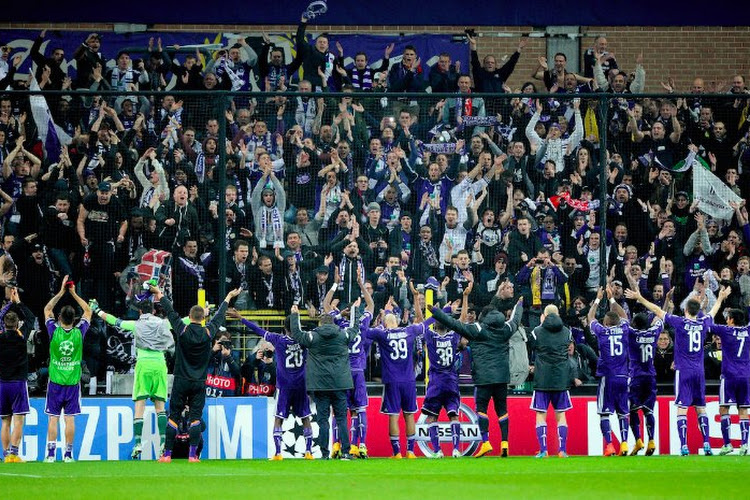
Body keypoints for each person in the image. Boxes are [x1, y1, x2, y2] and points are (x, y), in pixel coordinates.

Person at [430, 282, 524, 458]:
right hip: (502, 377)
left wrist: (436, 313)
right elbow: (516, 319)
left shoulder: (478, 329)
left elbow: (455, 325)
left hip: (483, 377)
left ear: (484, 316)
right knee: (502, 409)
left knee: (481, 408)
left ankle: (486, 442)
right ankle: (504, 444)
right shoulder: (506, 329)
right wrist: (519, 305)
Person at [625, 288, 714, 456]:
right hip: (699, 372)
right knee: (701, 408)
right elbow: (713, 312)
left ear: (686, 310)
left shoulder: (680, 322)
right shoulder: (703, 323)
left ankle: (684, 446)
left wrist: (640, 298)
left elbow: (658, 311)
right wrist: (721, 298)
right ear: (699, 311)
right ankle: (707, 444)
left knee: (682, 409)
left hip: (683, 371)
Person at [157, 286, 241, 463]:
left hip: (181, 380)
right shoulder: (208, 332)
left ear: (189, 316)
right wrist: (228, 297)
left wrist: (159, 294)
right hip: (199, 382)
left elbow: (170, 312)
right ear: (203, 318)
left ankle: (166, 455)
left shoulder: (183, 330)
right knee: (195, 418)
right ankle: (193, 455)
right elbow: (218, 318)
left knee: (173, 417)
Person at [92, 289, 174, 460]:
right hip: (159, 364)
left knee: (140, 406)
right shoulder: (163, 323)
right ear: (153, 310)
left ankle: (138, 444)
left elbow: (115, 321)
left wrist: (97, 310)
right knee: (160, 408)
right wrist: (200, 315)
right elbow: (182, 321)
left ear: (139, 311)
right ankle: (162, 446)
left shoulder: (136, 324)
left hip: (143, 364)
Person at [230, 311, 314, 460]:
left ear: (284, 327)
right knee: (306, 417)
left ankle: (278, 453)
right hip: (301, 385)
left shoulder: (278, 339)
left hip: (284, 386)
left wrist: (241, 318)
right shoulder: (304, 340)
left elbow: (258, 330)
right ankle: (308, 452)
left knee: (278, 418)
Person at [363, 302, 438, 459]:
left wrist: (371, 318)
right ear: (396, 322)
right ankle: (410, 451)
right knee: (409, 415)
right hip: (409, 380)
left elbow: (364, 331)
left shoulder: (382, 334)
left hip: (392, 381)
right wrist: (441, 311)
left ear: (385, 324)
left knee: (393, 415)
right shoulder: (409, 330)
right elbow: (426, 324)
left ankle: (397, 452)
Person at [289, 302, 360, 460]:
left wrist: (295, 316)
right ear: (333, 322)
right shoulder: (343, 335)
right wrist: (355, 309)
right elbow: (355, 328)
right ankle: (347, 452)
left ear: (320, 323)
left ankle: (325, 453)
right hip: (340, 384)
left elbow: (297, 335)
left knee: (323, 420)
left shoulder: (313, 336)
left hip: (320, 386)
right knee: (341, 418)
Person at [43, 276, 92, 463]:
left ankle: (50, 455)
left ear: (58, 318)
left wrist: (61, 292)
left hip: (55, 382)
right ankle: (69, 455)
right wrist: (73, 293)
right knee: (69, 419)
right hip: (72, 383)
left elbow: (47, 309)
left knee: (53, 418)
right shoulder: (79, 333)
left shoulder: (53, 331)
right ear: (74, 319)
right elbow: (88, 310)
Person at [588, 286, 631, 456]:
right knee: (622, 412)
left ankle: (610, 446)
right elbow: (625, 316)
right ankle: (625, 444)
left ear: (605, 322)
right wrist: (612, 299)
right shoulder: (625, 328)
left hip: (608, 376)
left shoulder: (602, 331)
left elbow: (590, 317)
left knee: (604, 413)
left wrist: (598, 299)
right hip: (623, 376)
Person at [708, 287, 750, 455]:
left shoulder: (725, 330)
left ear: (731, 320)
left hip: (729, 376)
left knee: (724, 408)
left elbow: (708, 322)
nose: (726, 320)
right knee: (743, 410)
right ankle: (745, 444)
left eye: (727, 318)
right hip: (746, 376)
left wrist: (719, 300)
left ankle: (727, 444)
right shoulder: (748, 331)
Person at [528, 304, 573, 458]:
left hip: (542, 378)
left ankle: (543, 450)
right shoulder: (567, 332)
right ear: (558, 315)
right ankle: (563, 450)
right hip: (560, 378)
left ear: (544, 315)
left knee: (541, 414)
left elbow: (532, 347)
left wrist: (542, 324)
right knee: (561, 415)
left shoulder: (537, 331)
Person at [0, 288, 35, 462]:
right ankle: (14, 453)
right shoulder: (22, 337)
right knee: (19, 420)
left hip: (2, 384)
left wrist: (8, 305)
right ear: (17, 324)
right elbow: (31, 318)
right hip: (18, 384)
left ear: (5, 324)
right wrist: (18, 302)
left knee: (5, 421)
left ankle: (6, 455)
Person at [626, 313, 664, 456]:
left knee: (633, 410)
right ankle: (652, 440)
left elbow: (623, 322)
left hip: (636, 377)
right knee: (648, 411)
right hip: (650, 377)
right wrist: (666, 302)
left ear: (634, 324)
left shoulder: (632, 333)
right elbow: (660, 319)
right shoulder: (654, 332)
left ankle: (638, 440)